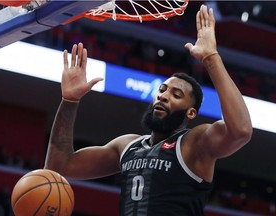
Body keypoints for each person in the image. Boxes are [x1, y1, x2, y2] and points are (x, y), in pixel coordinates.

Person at [44, 5, 252, 216]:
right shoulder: (127, 146)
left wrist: (211, 57)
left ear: (191, 113)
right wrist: (69, 101)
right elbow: (58, 167)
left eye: (176, 95)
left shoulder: (194, 145)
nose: (163, 95)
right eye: (162, 90)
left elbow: (241, 130)